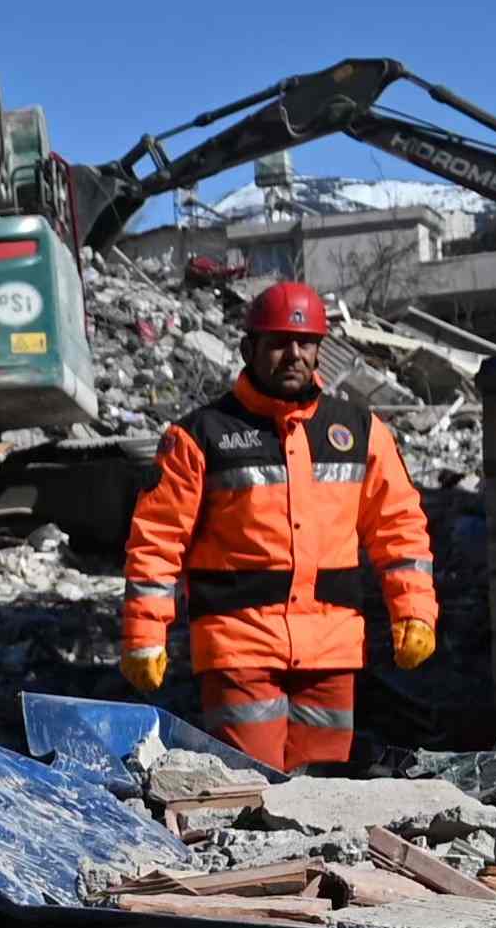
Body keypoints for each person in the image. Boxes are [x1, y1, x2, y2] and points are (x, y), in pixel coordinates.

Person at [117, 280, 434, 772]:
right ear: (249, 349)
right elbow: (157, 542)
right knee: (252, 787)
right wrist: (144, 636)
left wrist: (413, 610)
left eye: (305, 342)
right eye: (279, 342)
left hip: (331, 649)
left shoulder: (359, 432)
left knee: (322, 795)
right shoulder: (199, 437)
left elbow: (400, 528)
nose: (294, 354)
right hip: (237, 647)